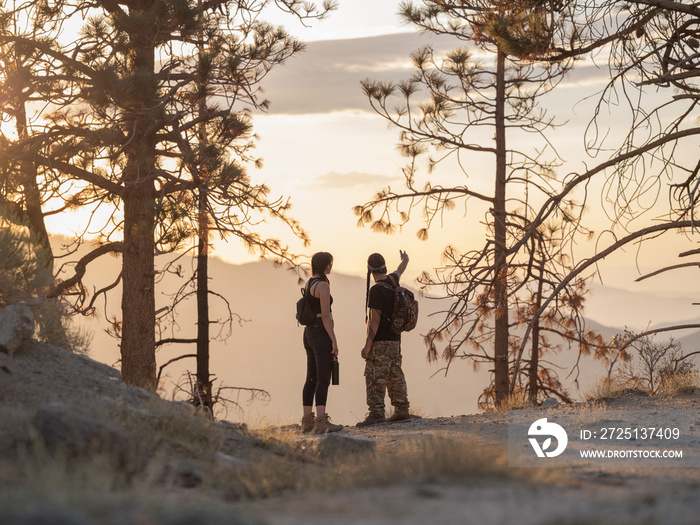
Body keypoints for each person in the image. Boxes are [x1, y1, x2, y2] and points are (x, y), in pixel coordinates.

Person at [357, 250, 411, 426]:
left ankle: (376, 413)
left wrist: (367, 346)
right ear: (384, 266)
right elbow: (400, 269)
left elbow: (375, 320)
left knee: (374, 376)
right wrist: (405, 259)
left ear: (370, 270)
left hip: (380, 342)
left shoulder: (375, 290)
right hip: (395, 340)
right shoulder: (393, 280)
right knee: (395, 374)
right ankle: (402, 410)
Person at [300, 252, 343, 434]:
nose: (331, 267)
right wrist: (334, 340)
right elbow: (326, 316)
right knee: (324, 377)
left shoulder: (310, 283)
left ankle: (307, 421)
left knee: (311, 377)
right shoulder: (323, 286)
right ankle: (321, 421)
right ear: (326, 265)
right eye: (330, 263)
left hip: (309, 332)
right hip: (320, 332)